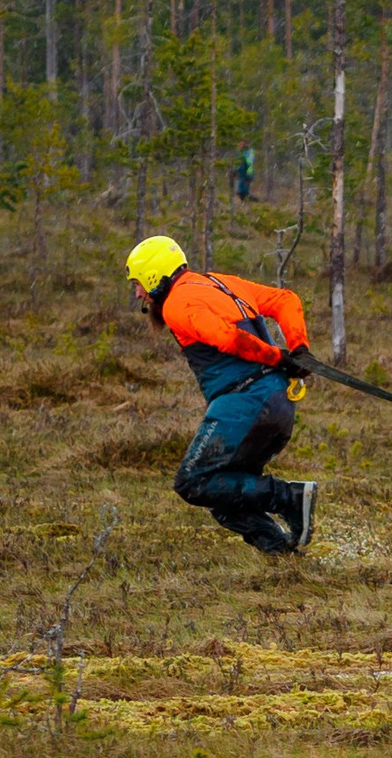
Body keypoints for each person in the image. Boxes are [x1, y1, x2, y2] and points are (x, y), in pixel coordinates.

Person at [124, 235, 318, 554]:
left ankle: (289, 498)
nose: (138, 294)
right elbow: (286, 300)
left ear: (153, 277)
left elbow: (229, 338)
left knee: (192, 482)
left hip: (245, 403)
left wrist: (282, 356)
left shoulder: (177, 304)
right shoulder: (220, 282)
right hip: (277, 405)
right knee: (223, 493)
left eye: (137, 284)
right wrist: (298, 349)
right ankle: (281, 554)